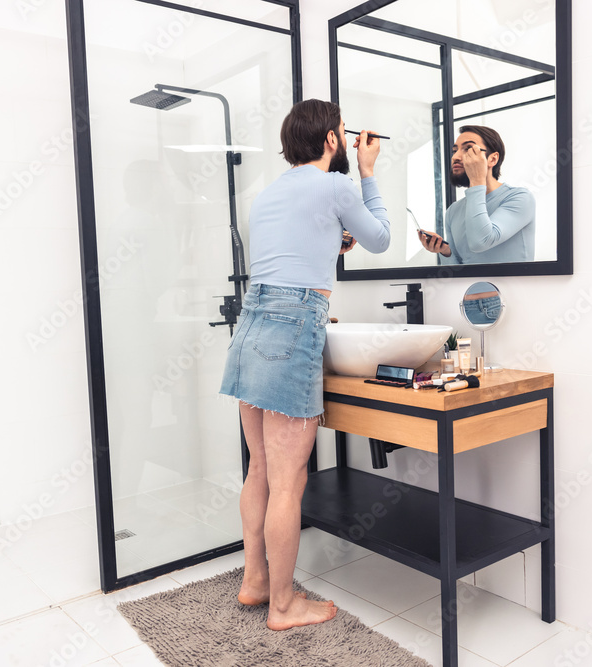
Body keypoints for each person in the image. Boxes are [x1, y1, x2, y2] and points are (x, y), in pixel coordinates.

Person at [218, 99, 390, 630]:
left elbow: (298, 248)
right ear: (333, 139)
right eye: (343, 132)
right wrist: (367, 173)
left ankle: (255, 581)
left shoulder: (268, 194)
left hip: (251, 324)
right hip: (294, 325)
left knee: (260, 469)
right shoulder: (337, 185)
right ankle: (284, 605)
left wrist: (337, 234)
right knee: (289, 480)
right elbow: (381, 238)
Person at [419, 125, 535, 264]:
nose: (455, 157)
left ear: (492, 159)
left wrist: (477, 180)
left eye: (468, 149)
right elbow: (457, 271)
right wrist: (445, 252)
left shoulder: (520, 198)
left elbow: (481, 241)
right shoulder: (453, 211)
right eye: (454, 151)